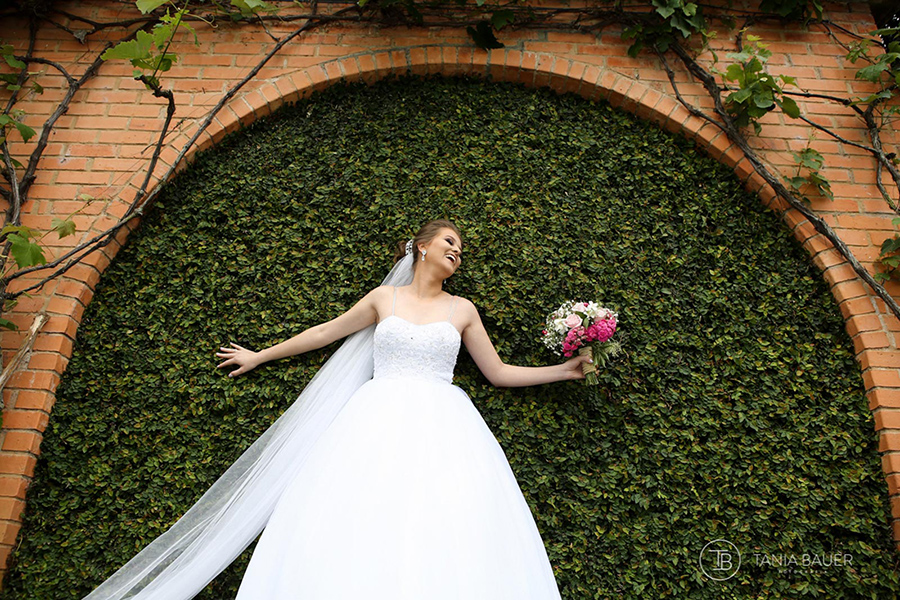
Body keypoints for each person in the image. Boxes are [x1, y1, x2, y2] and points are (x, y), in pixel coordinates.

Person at [81, 219, 591, 600]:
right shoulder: (382, 300)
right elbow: (325, 333)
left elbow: (498, 372)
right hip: (374, 420)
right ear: (421, 247)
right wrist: (260, 354)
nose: (457, 251)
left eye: (461, 248)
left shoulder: (463, 310)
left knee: (445, 516)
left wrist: (563, 370)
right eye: (449, 242)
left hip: (444, 426)